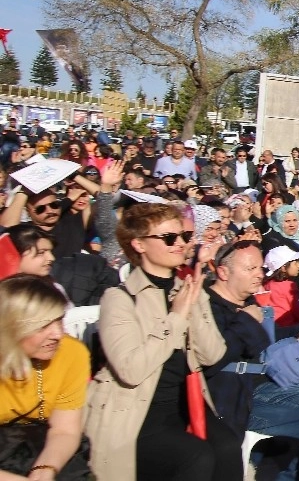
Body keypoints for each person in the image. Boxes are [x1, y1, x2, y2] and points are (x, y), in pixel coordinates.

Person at [85, 203, 239, 481]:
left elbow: (212, 355)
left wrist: (195, 301)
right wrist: (177, 317)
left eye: (183, 236)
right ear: (139, 245)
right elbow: (131, 370)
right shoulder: (119, 299)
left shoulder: (186, 288)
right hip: (136, 414)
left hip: (184, 404)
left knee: (227, 447)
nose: (181, 243)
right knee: (195, 456)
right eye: (169, 238)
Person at [203, 241, 299, 481]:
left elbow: (270, 336)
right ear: (223, 272)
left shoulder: (247, 300)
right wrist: (246, 323)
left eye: (260, 268)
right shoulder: (210, 307)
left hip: (269, 379)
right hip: (241, 397)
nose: (259, 274)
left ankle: (292, 474)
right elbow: (215, 359)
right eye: (250, 269)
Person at [0, 274, 91, 479]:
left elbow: (65, 430)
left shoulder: (70, 352)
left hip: (41, 443)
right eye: (43, 325)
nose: (57, 334)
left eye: (59, 321)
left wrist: (44, 471)